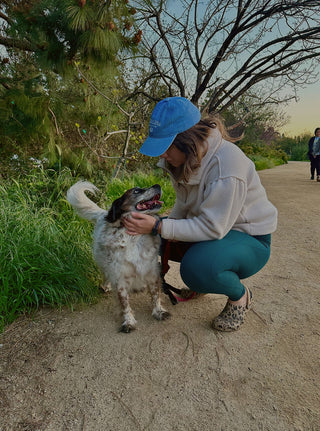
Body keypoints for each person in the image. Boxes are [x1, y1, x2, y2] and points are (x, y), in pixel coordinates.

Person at [123, 97, 277, 332]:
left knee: (195, 268)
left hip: (250, 240)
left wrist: (158, 226)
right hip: (220, 234)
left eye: (166, 146)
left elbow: (212, 228)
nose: (162, 154)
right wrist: (161, 230)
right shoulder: (186, 160)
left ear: (187, 140)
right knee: (161, 238)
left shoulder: (227, 165)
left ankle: (240, 296)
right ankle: (208, 277)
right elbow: (183, 206)